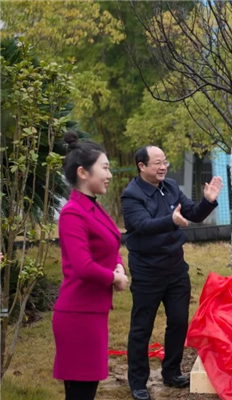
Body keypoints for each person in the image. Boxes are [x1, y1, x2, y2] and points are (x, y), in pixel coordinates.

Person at [122, 146, 223, 400]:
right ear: (141, 166)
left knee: (178, 321)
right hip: (147, 271)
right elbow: (141, 226)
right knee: (142, 327)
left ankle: (171, 371)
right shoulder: (132, 195)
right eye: (157, 163)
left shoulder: (171, 186)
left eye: (164, 162)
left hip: (176, 268)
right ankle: (138, 382)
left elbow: (192, 214)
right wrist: (171, 220)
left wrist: (208, 201)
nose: (163, 167)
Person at [53, 132, 129, 400]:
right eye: (105, 168)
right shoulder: (73, 213)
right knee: (81, 393)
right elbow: (83, 266)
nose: (109, 175)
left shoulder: (94, 207)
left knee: (85, 390)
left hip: (92, 313)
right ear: (83, 173)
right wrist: (114, 278)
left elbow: (111, 244)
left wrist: (118, 266)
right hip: (78, 315)